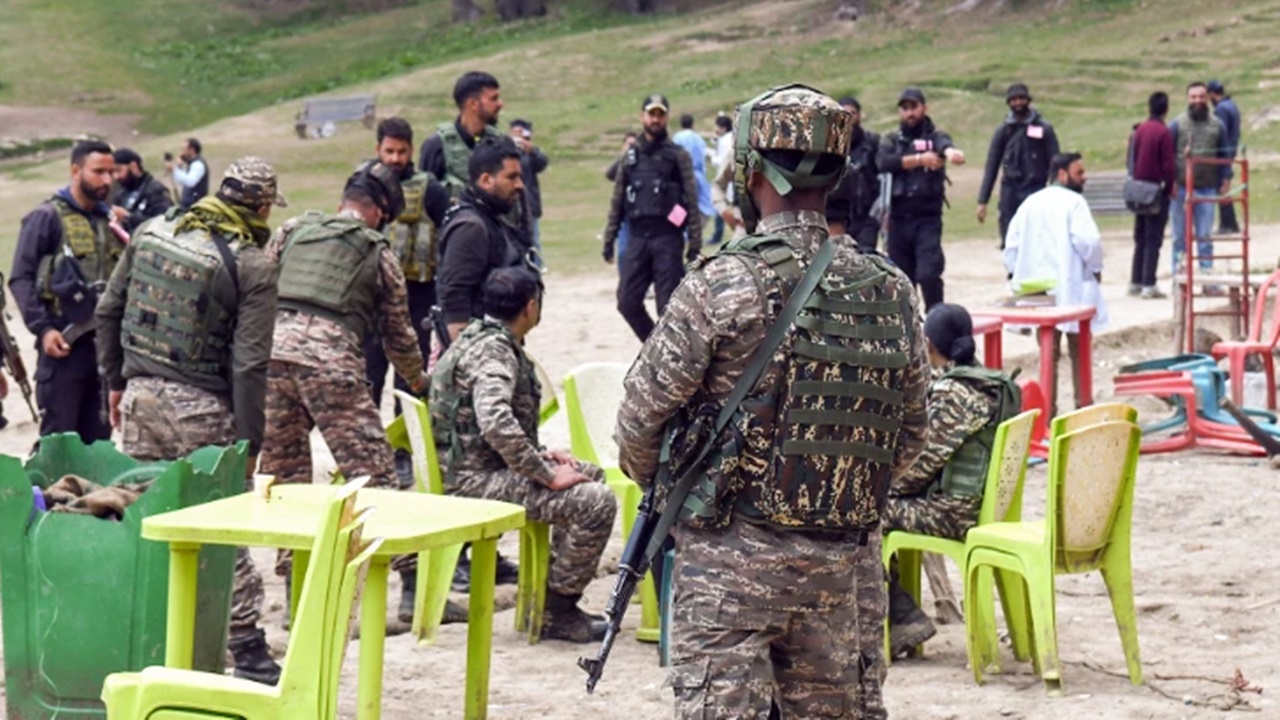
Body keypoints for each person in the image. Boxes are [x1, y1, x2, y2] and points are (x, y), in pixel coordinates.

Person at [615, 84, 930, 720]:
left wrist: (687, 492)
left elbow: (638, 422)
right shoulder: (892, 291)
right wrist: (834, 491)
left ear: (749, 171)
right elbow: (910, 435)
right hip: (844, 569)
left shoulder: (722, 284)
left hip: (728, 566)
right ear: (837, 173)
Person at [96, 156, 287, 685]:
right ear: (262, 207)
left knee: (144, 517)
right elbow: (249, 365)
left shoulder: (152, 231)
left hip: (139, 398)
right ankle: (248, 652)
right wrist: (249, 446)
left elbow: (108, 310)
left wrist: (116, 383)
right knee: (221, 528)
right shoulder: (253, 266)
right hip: (202, 409)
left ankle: (145, 636)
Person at [258, 163, 429, 628]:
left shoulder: (292, 229)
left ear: (342, 203)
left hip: (270, 360)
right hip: (330, 366)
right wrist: (418, 380)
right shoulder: (379, 253)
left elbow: (257, 290)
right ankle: (411, 590)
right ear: (379, 213)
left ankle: (296, 601)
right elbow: (398, 335)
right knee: (375, 477)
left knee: (286, 482)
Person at [430, 266, 615, 643]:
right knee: (596, 501)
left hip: (473, 468)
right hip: (474, 482)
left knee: (589, 473)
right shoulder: (494, 352)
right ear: (531, 307)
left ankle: (551, 593)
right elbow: (495, 421)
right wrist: (545, 474)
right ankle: (557, 611)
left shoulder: (475, 338)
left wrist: (542, 455)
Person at [881, 303, 1020, 657]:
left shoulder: (954, 394)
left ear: (927, 344)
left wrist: (879, 487)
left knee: (865, 515)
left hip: (953, 513)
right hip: (987, 507)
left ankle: (901, 617)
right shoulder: (994, 384)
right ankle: (902, 614)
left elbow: (919, 467)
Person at [10, 140, 120, 444]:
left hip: (103, 353)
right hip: (63, 349)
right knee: (58, 445)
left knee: (98, 447)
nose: (107, 180)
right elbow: (20, 278)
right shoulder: (46, 217)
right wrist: (43, 330)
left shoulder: (109, 220)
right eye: (99, 171)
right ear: (75, 170)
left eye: (111, 172)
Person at [1004, 153, 1108, 419]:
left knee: (1048, 354)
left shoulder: (1030, 203)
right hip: (1072, 290)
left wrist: (1017, 276)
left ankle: (1047, 414)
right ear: (1062, 174)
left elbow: (1011, 247)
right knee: (1079, 352)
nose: (1084, 178)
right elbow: (1089, 243)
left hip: (1039, 293)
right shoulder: (1075, 203)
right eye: (1079, 172)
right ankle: (1082, 412)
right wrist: (1096, 268)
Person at [601, 93, 702, 341]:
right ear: (642, 116)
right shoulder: (630, 157)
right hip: (637, 239)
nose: (656, 120)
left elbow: (691, 200)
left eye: (660, 115)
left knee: (667, 308)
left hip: (668, 239)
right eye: (651, 114)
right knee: (627, 302)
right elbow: (617, 201)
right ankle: (655, 348)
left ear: (666, 118)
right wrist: (609, 239)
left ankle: (671, 355)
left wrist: (695, 243)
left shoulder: (678, 156)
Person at [438, 136, 536, 342]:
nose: (519, 185)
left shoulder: (490, 217)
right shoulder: (470, 228)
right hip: (478, 351)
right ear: (485, 180)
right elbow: (455, 305)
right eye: (511, 177)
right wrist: (469, 355)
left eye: (519, 177)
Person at [878, 87, 965, 309]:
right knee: (902, 280)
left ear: (924, 108)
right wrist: (919, 160)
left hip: (927, 219)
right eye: (905, 108)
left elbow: (945, 145)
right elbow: (883, 162)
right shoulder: (891, 140)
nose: (910, 113)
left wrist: (950, 153)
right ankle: (909, 326)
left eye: (914, 107)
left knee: (929, 273)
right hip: (898, 219)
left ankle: (937, 320)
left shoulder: (935, 137)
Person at [976, 83, 1060, 249]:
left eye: (1021, 98)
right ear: (1008, 103)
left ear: (1028, 100)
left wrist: (1056, 193)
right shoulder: (1002, 131)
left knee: (1037, 237)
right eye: (1014, 100)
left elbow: (1055, 162)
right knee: (1010, 239)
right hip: (1010, 190)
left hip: (1036, 188)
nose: (1018, 103)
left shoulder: (1044, 128)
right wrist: (982, 201)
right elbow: (991, 166)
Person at [1169, 82, 1231, 274]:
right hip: (1180, 189)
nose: (1198, 101)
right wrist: (1170, 182)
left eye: (1201, 97)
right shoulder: (1177, 125)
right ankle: (1180, 276)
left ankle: (1207, 275)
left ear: (1207, 98)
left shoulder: (1217, 125)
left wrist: (1226, 179)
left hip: (1207, 188)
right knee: (1179, 236)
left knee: (1205, 235)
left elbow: (1225, 155)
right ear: (1187, 99)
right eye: (1193, 97)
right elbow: (1167, 156)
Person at [1128, 91, 1176, 299]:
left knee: (1140, 237)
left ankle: (1135, 281)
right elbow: (1168, 165)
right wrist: (1170, 187)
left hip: (1138, 190)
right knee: (1153, 238)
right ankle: (1149, 283)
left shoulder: (1139, 130)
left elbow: (1131, 160)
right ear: (1166, 109)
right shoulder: (1163, 132)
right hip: (1156, 191)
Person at [825, 95, 881, 251]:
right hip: (838, 215)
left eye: (853, 113)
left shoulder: (872, 143)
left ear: (859, 115)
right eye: (844, 113)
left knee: (865, 254)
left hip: (867, 216)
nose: (849, 118)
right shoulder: (829, 146)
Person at [672, 113, 716, 242]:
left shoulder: (677, 138)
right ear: (692, 124)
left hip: (681, 175)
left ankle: (678, 231)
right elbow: (702, 159)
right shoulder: (698, 138)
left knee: (681, 204)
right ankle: (692, 232)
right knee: (699, 206)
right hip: (697, 175)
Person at [109, 148, 173, 233]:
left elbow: (165, 224)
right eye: (112, 172)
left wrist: (129, 217)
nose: (116, 177)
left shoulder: (155, 190)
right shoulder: (120, 196)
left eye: (119, 170)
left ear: (134, 166)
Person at [510, 118, 549, 254]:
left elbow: (542, 164)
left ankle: (535, 265)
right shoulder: (507, 150)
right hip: (510, 203)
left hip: (529, 203)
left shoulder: (530, 152)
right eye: (516, 132)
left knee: (534, 241)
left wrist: (531, 150)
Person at [1208, 79, 1242, 235]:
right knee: (1224, 186)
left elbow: (1219, 132)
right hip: (1231, 149)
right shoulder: (1232, 105)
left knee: (1221, 186)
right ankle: (1231, 222)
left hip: (1222, 152)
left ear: (1212, 94)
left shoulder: (1221, 109)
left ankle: (1227, 223)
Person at [604, 131, 638, 270]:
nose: (631, 148)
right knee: (623, 252)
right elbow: (609, 174)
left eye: (634, 145)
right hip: (625, 214)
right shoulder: (622, 164)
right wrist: (624, 158)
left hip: (640, 214)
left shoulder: (642, 162)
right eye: (629, 144)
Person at [709, 114, 735, 245]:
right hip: (730, 180)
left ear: (723, 128)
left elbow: (722, 161)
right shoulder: (729, 138)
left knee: (720, 207)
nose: (715, 129)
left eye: (717, 127)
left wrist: (711, 156)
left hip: (726, 180)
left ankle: (717, 236)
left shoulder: (725, 141)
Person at [168, 138, 209, 210]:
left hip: (196, 208)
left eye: (184, 149)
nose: (182, 153)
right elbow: (181, 180)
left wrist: (175, 170)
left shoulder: (198, 165)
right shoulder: (191, 165)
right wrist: (179, 168)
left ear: (192, 150)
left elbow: (190, 181)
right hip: (188, 207)